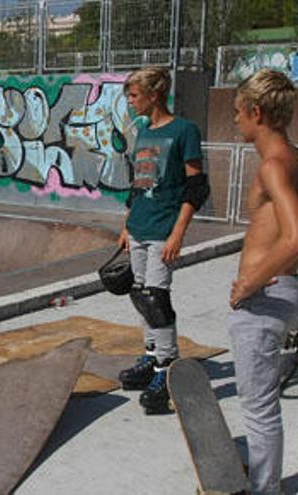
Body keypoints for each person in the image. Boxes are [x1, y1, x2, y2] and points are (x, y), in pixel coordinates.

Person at [116, 67, 208, 414]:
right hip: (140, 226)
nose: (130, 100)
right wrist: (127, 225)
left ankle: (168, 368)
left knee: (157, 298)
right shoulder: (144, 133)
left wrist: (178, 232)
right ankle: (152, 355)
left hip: (164, 230)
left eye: (134, 95)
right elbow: (138, 184)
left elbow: (197, 187)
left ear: (154, 95)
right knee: (141, 296)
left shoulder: (185, 131)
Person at [228, 68, 298, 495]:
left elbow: (295, 236)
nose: (235, 120)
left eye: (238, 112)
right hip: (283, 293)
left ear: (256, 111)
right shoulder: (295, 157)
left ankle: (265, 490)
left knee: (258, 407)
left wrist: (249, 282)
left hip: (265, 298)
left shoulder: (273, 165)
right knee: (263, 402)